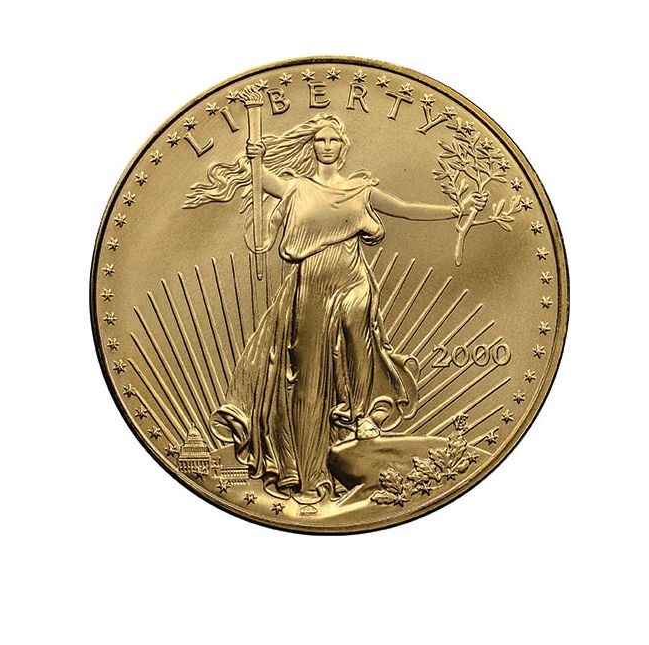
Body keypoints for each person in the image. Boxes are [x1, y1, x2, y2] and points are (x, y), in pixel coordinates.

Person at [185, 113, 487, 502]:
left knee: (359, 338)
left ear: (344, 147)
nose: (326, 146)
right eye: (320, 140)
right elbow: (261, 178)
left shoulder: (360, 190)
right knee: (307, 373)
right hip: (310, 283)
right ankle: (306, 469)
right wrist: (253, 158)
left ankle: (362, 417)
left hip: (352, 277)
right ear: (312, 147)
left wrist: (456, 211)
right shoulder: (296, 188)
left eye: (333, 140)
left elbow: (406, 208)